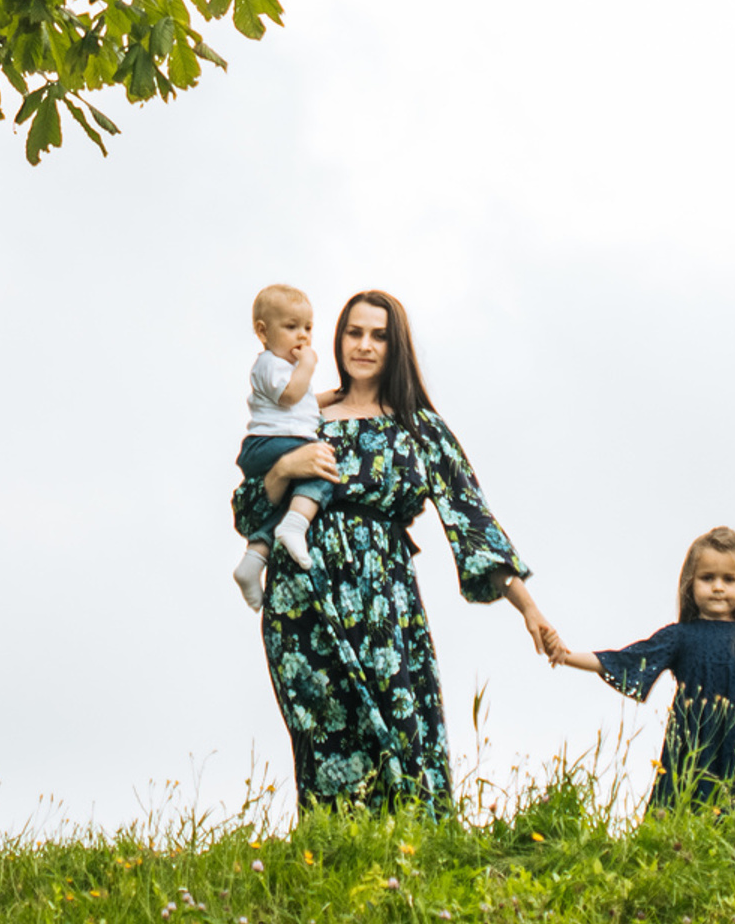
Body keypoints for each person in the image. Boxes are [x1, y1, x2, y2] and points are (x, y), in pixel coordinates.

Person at [234, 288, 561, 809]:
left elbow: (472, 521)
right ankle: (335, 855)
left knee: (402, 740)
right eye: (354, 333)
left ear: (396, 346)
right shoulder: (303, 416)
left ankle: (414, 853)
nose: (364, 345)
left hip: (384, 601)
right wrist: (284, 470)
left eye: (378, 336)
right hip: (303, 597)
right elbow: (248, 514)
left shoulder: (418, 427)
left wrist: (530, 609)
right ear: (338, 339)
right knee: (325, 742)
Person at [552, 524, 735, 803]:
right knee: (684, 812)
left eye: (728, 579)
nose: (718, 587)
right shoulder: (678, 637)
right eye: (707, 578)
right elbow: (626, 661)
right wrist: (566, 656)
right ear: (690, 583)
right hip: (691, 750)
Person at [232, 282, 327, 609]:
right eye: (291, 327)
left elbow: (305, 403)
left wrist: (335, 397)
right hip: (271, 444)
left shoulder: (286, 369)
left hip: (275, 442)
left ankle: (253, 559)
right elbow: (290, 396)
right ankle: (295, 527)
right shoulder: (269, 363)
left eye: (308, 328)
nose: (303, 336)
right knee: (322, 469)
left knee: (288, 500)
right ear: (263, 331)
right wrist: (308, 365)